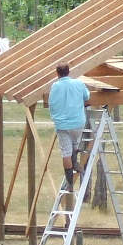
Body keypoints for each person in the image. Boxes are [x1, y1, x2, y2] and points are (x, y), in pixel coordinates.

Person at [48, 63, 90, 191]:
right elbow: (87, 96)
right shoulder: (78, 84)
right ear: (68, 72)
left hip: (62, 124)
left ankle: (70, 182)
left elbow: (51, 102)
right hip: (77, 122)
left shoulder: (55, 86)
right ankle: (75, 163)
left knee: (66, 152)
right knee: (75, 144)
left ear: (57, 73)